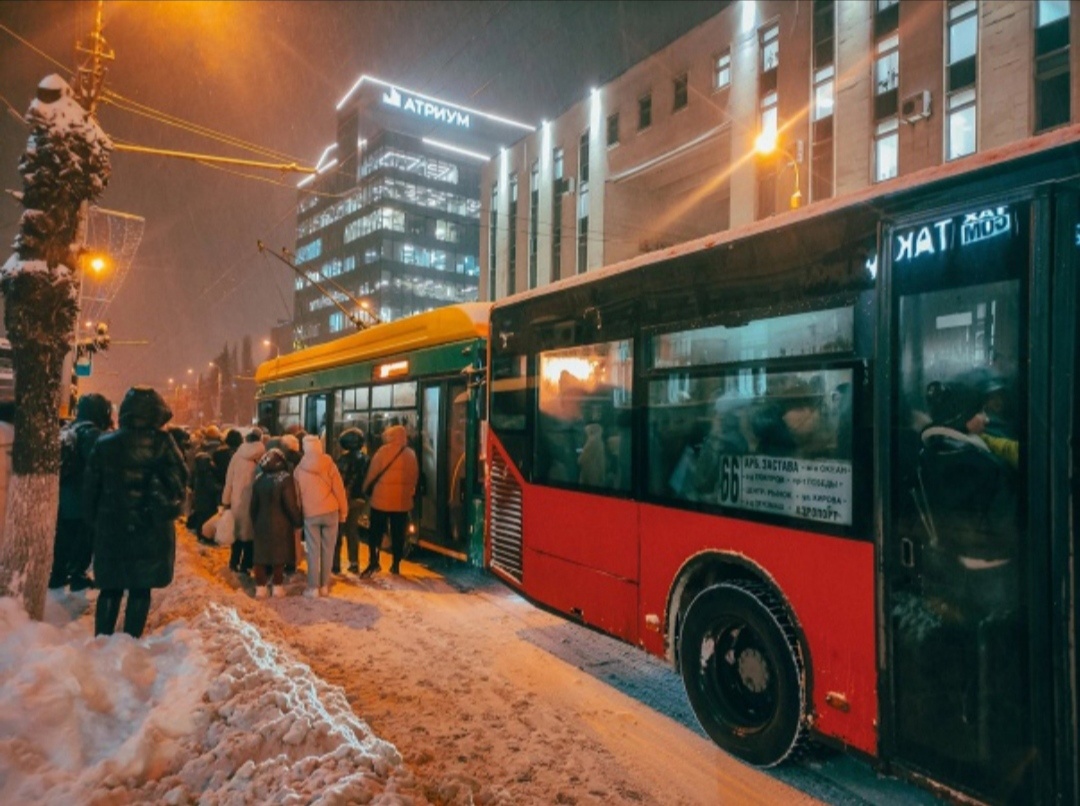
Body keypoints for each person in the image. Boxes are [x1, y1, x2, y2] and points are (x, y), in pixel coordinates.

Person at [83, 387, 187, 638]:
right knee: (141, 588)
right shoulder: (163, 443)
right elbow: (179, 480)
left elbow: (90, 490)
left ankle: (102, 640)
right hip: (149, 528)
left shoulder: (104, 444)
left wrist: (95, 523)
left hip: (111, 528)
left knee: (110, 588)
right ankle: (129, 640)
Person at [50, 392, 112, 591]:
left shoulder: (68, 429)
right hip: (83, 496)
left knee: (64, 537)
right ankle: (77, 574)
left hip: (64, 494)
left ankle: (58, 574)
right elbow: (98, 466)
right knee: (84, 537)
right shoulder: (92, 433)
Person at [361, 423, 419, 577]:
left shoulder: (382, 452)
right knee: (398, 533)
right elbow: (414, 477)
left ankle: (374, 561)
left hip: (380, 500)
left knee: (376, 532)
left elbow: (372, 474)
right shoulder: (410, 454)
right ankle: (395, 564)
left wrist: (365, 488)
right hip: (401, 502)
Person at [293, 434, 348, 596]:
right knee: (328, 550)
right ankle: (325, 585)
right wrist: (343, 512)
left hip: (311, 515)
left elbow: (297, 498)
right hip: (331, 511)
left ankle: (313, 587)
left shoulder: (298, 470)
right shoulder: (329, 464)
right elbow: (339, 489)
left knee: (313, 551)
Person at [249, 447, 302, 598]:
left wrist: (255, 521)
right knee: (279, 557)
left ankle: (260, 588)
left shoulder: (259, 479)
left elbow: (253, 506)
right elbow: (290, 504)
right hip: (282, 525)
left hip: (261, 523)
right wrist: (297, 521)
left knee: (260, 557)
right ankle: (277, 587)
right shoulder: (285, 478)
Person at [222, 428, 266, 575]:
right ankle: (246, 565)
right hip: (254, 500)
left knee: (237, 532)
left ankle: (233, 562)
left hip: (237, 500)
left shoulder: (237, 456)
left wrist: (226, 500)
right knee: (251, 533)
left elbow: (229, 481)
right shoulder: (263, 457)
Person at [334, 427, 370, 574]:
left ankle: (335, 564)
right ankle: (354, 562)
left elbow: (338, 481)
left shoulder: (342, 460)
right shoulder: (366, 459)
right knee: (352, 532)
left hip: (343, 500)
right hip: (360, 499)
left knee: (338, 532)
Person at [189, 424, 224, 540]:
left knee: (201, 513)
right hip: (211, 490)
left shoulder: (200, 448)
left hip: (199, 488)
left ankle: (202, 533)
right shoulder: (220, 450)